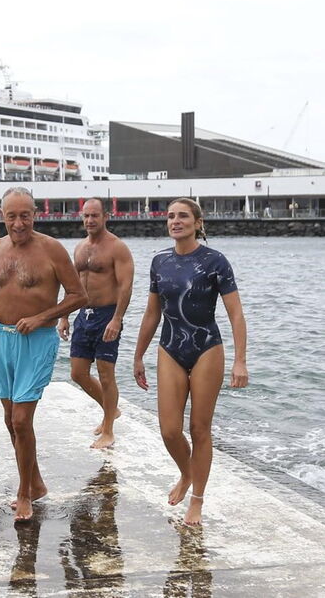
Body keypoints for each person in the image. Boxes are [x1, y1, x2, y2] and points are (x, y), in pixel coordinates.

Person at [0, 187, 87, 521]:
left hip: (38, 339)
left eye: (26, 215)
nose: (19, 223)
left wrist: (42, 317)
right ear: (2, 216)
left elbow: (79, 295)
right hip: (3, 340)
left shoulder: (51, 249)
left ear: (35, 214)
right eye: (12, 216)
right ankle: (35, 482)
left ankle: (25, 494)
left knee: (22, 420)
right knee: (11, 420)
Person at [133, 197, 248, 527]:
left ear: (198, 223)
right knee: (169, 430)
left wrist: (240, 361)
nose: (175, 221)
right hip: (169, 348)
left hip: (206, 349)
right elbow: (152, 313)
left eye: (183, 216)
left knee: (199, 429)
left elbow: (235, 313)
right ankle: (187, 473)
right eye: (170, 216)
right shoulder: (159, 262)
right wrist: (138, 354)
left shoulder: (215, 261)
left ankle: (196, 500)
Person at [57, 198, 134, 449]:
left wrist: (117, 319)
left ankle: (108, 430)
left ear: (105, 217)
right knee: (78, 373)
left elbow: (126, 286)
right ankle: (112, 411)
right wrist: (65, 315)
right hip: (84, 315)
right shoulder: (80, 248)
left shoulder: (117, 248)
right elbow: (73, 284)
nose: (89, 220)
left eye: (94, 216)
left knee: (105, 373)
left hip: (107, 315)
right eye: (86, 216)